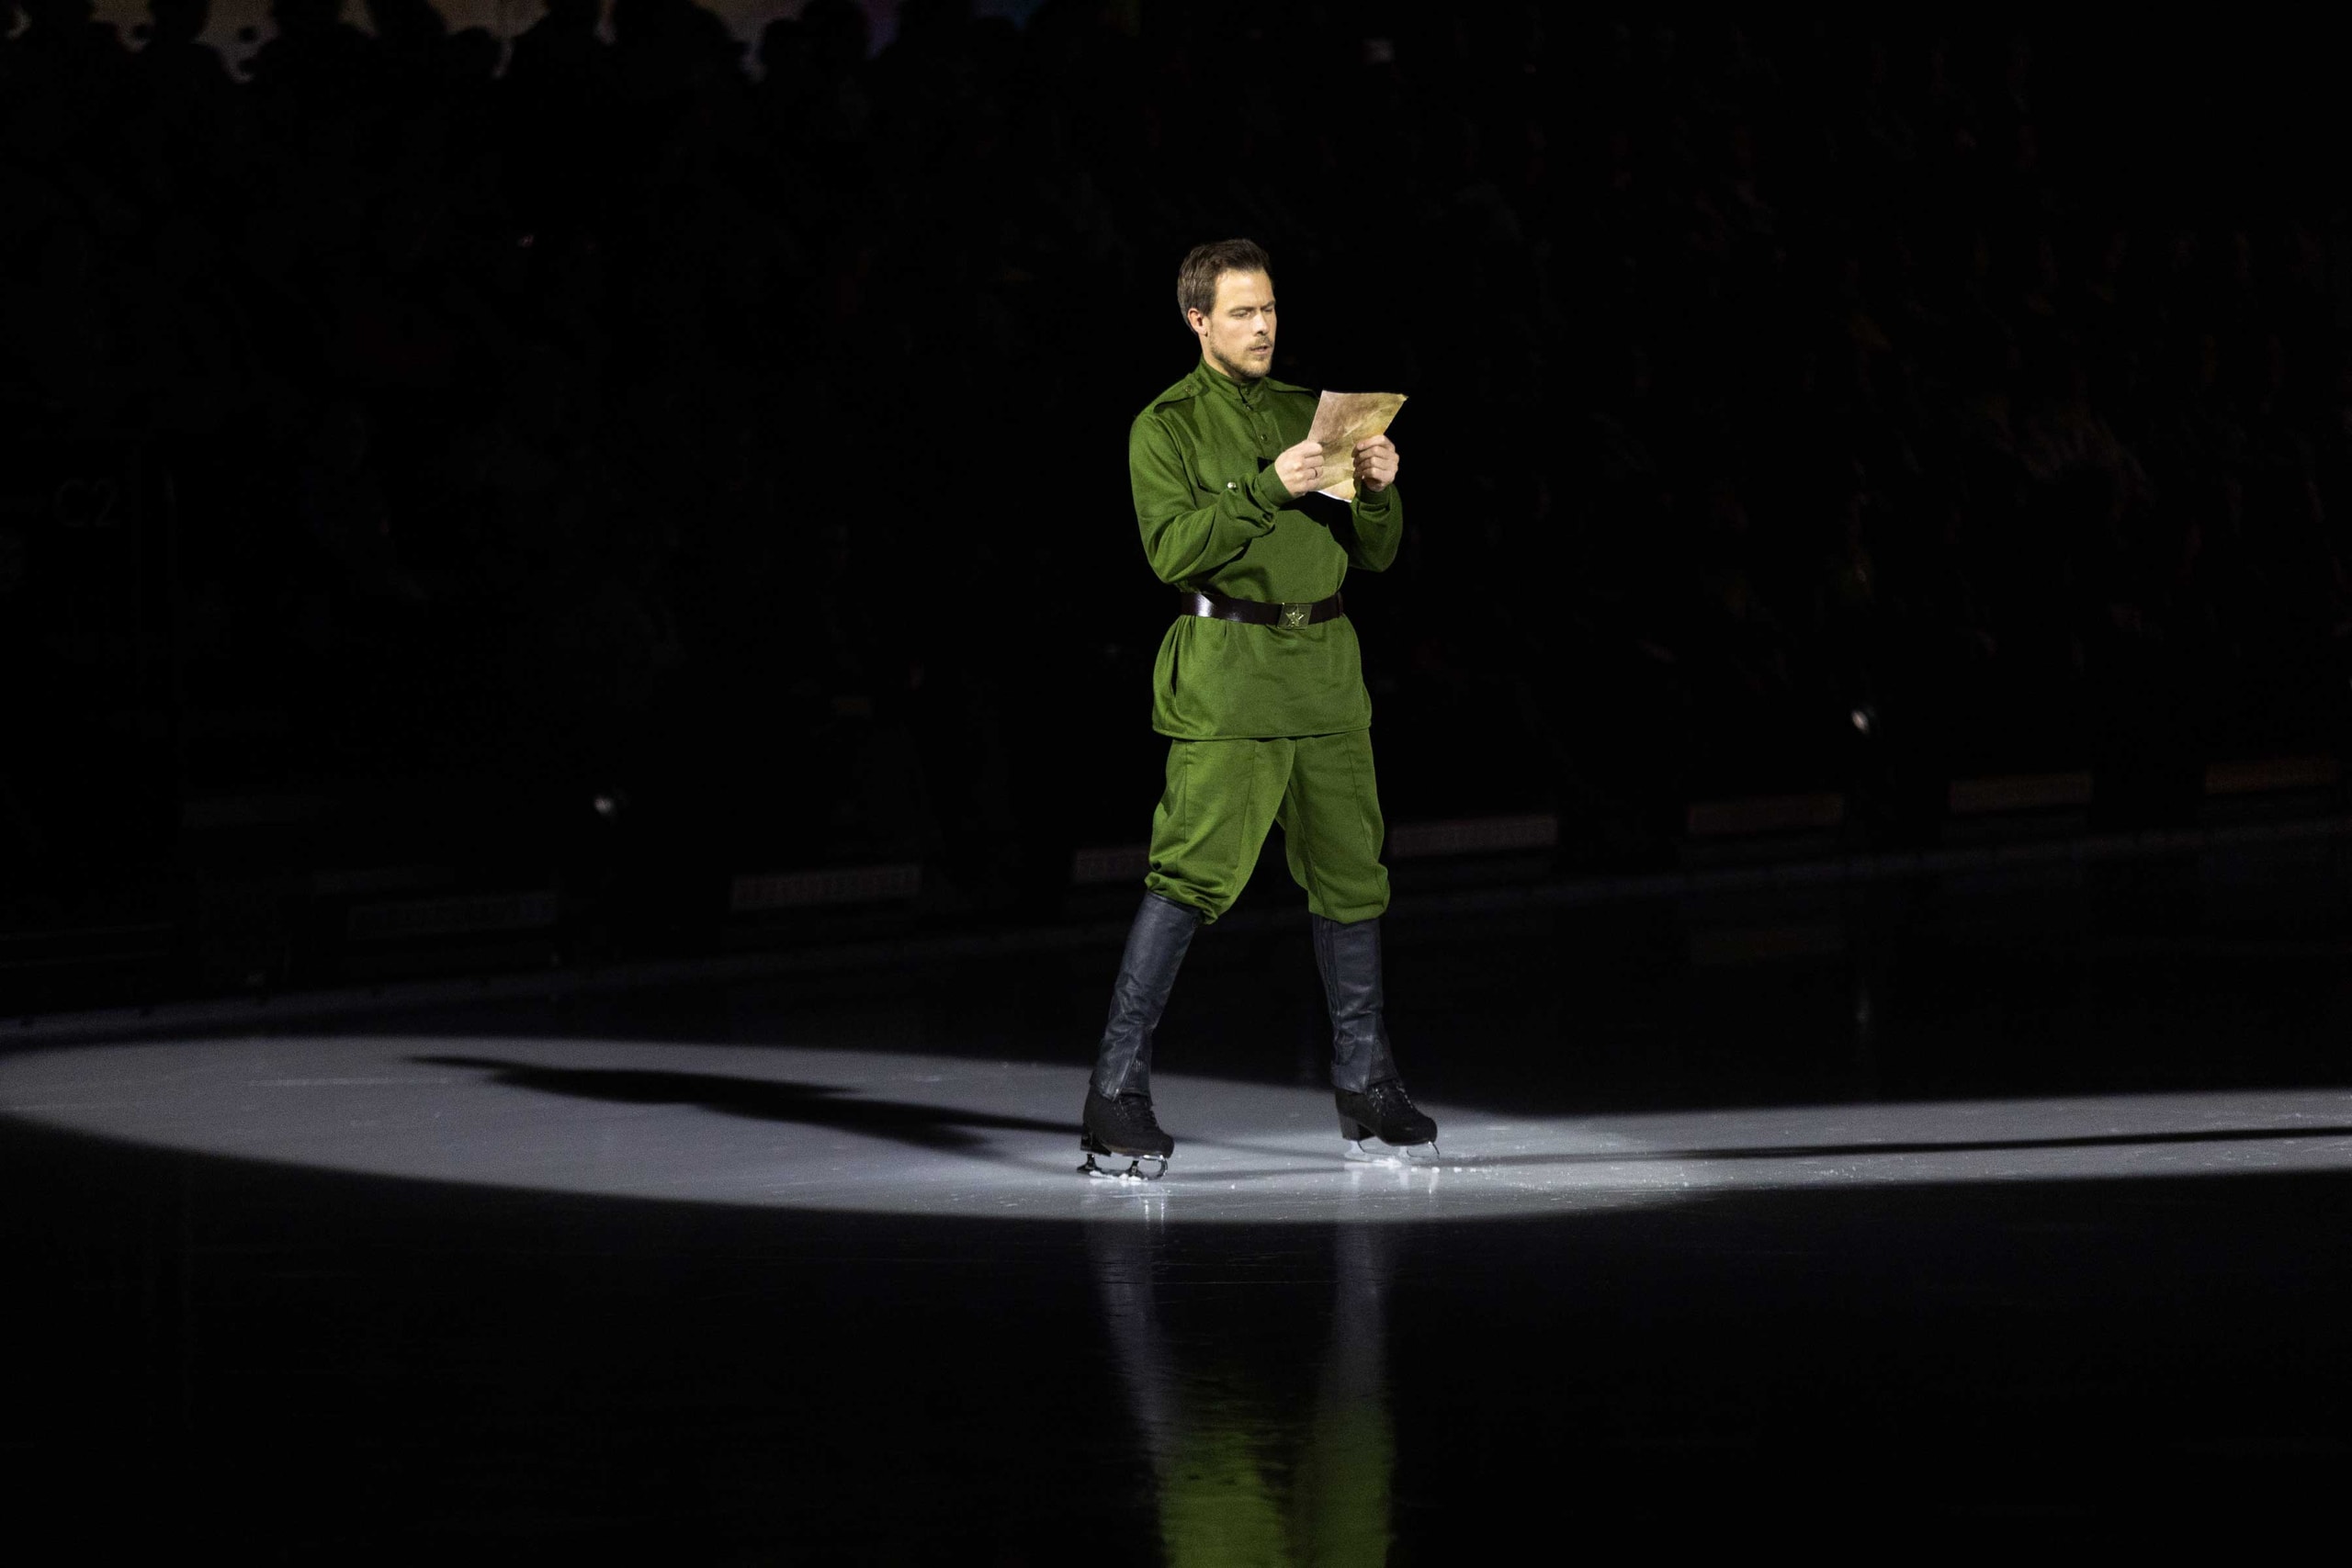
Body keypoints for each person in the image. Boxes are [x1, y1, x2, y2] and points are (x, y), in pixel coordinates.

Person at [1080, 237, 1439, 1179]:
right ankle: (1114, 1091)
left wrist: (1376, 492)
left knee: (1352, 877)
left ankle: (1367, 1083)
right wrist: (1264, 489)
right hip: (1229, 675)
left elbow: (1376, 554)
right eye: (1242, 312)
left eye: (1270, 307)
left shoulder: (1306, 411)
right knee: (1188, 876)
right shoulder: (1163, 426)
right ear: (1197, 320)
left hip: (1324, 672)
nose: (1263, 325)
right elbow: (1170, 550)